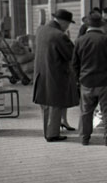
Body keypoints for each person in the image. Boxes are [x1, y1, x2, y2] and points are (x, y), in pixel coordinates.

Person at [72, 12, 107, 146]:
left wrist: (78, 80)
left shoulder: (79, 41)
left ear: (87, 26)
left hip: (86, 82)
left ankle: (84, 138)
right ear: (101, 25)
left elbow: (75, 64)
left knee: (85, 112)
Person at [32, 9, 80, 142]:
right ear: (63, 22)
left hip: (42, 73)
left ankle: (48, 131)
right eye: (68, 24)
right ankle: (52, 134)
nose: (68, 27)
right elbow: (72, 55)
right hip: (55, 75)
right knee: (55, 105)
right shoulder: (59, 35)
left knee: (46, 106)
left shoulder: (41, 30)